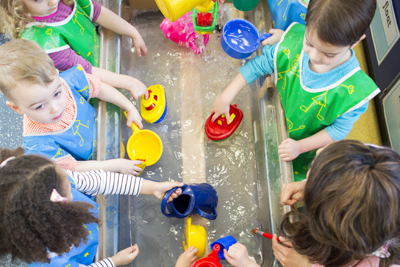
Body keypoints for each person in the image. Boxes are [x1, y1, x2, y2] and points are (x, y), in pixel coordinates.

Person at [211, 0, 380, 181]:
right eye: (310, 43)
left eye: (329, 54)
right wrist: (226, 96)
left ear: (356, 42)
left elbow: (338, 130)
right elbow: (260, 65)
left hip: (303, 147)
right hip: (280, 122)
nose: (313, 56)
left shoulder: (354, 92)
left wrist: (299, 147)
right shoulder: (296, 40)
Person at [224, 140, 400, 267]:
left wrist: (247, 264)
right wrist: (310, 188)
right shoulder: (381, 171)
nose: (306, 177)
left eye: (310, 176)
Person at [0, 147, 183, 266]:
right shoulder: (50, 261)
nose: (71, 181)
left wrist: (153, 188)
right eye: (69, 193)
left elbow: (100, 181)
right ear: (54, 214)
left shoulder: (48, 178)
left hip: (87, 233)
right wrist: (112, 262)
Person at [0, 39, 144, 174]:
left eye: (57, 94)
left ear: (56, 73)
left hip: (107, 133)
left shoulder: (68, 81)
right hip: (96, 165)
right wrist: (114, 165)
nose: (55, 108)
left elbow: (99, 88)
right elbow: (74, 168)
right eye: (39, 106)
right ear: (17, 108)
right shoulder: (38, 143)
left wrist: (129, 107)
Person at [0, 0, 149, 101]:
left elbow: (98, 13)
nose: (51, 1)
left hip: (99, 56)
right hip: (92, 79)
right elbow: (85, 71)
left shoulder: (66, 2)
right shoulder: (43, 42)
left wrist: (132, 32)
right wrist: (130, 83)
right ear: (17, 4)